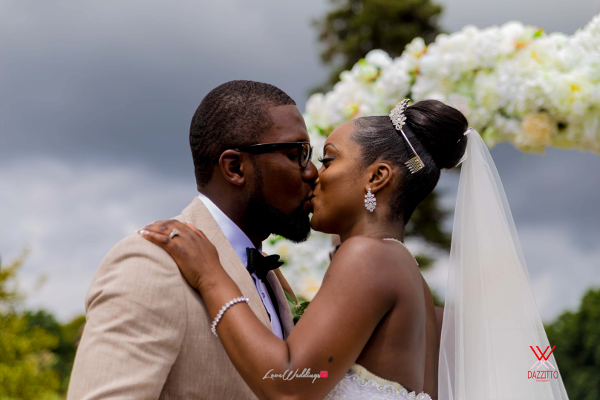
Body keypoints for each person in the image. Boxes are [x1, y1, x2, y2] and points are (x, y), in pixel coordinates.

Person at [140, 97, 571, 400]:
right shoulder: (410, 280)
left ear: (377, 177)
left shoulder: (367, 259)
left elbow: (290, 384)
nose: (313, 174)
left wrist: (211, 275)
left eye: (328, 158)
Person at [67, 80, 318, 399]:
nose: (311, 172)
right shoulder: (151, 264)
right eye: (296, 153)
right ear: (235, 167)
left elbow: (298, 378)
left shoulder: (271, 277)